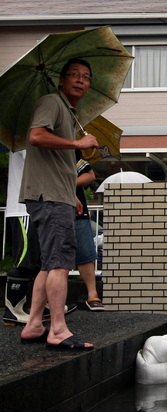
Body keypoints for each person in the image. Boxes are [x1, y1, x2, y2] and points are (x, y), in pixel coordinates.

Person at [18, 58, 98, 349]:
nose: (80, 80)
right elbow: (37, 136)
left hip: (57, 195)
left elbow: (59, 164)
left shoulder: (67, 110)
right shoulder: (52, 102)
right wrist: (78, 144)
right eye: (74, 75)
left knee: (49, 263)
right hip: (48, 196)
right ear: (62, 80)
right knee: (61, 263)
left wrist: (72, 196)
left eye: (86, 77)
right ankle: (58, 330)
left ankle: (34, 324)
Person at [3, 150, 77, 325]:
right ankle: (13, 310)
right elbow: (43, 164)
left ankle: (42, 307)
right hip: (23, 209)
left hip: (39, 206)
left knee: (42, 262)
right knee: (25, 261)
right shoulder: (27, 139)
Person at [75, 153, 105, 311]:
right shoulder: (45, 153)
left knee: (85, 253)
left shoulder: (73, 153)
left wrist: (66, 184)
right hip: (53, 209)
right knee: (54, 257)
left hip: (78, 212)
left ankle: (92, 294)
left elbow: (89, 175)